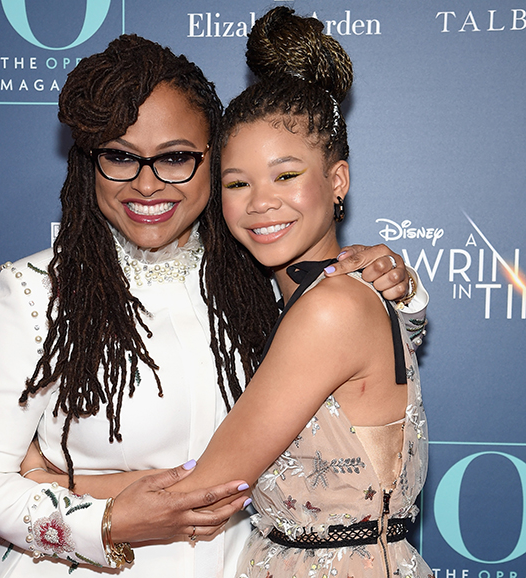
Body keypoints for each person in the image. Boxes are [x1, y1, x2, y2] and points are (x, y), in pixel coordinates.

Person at [0, 33, 427, 578]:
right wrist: (101, 523)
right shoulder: (37, 289)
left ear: (210, 161)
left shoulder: (255, 277)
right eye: (120, 157)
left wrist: (400, 285)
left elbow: (362, 370)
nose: (147, 184)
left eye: (175, 157)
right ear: (90, 163)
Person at [144, 7, 432, 577]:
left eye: (285, 175)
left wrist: (58, 478)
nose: (259, 202)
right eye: (236, 182)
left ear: (337, 180)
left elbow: (210, 489)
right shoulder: (333, 295)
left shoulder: (330, 309)